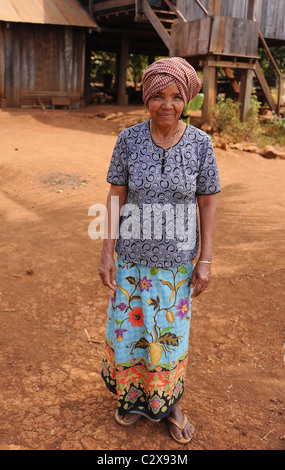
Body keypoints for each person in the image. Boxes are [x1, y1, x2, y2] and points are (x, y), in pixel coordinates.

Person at [98, 57, 221, 445]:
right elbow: (116, 196)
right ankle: (133, 398)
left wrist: (206, 259)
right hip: (132, 259)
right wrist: (106, 251)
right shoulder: (128, 139)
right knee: (132, 332)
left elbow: (208, 203)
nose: (166, 105)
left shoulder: (201, 144)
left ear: (186, 100)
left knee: (167, 336)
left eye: (175, 97)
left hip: (176, 264)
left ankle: (168, 403)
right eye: (157, 96)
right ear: (146, 97)